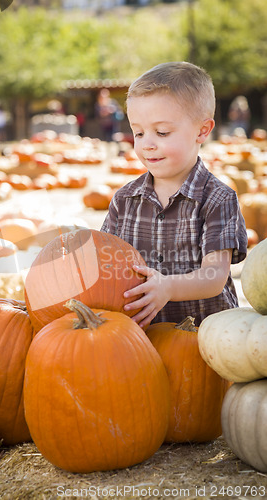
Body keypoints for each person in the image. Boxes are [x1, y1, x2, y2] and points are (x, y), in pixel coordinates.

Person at [101, 61, 247, 329]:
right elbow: (106, 266)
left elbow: (214, 275)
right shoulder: (123, 201)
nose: (147, 143)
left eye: (162, 132)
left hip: (205, 341)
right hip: (141, 342)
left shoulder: (218, 199)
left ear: (202, 130)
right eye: (139, 132)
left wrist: (168, 286)